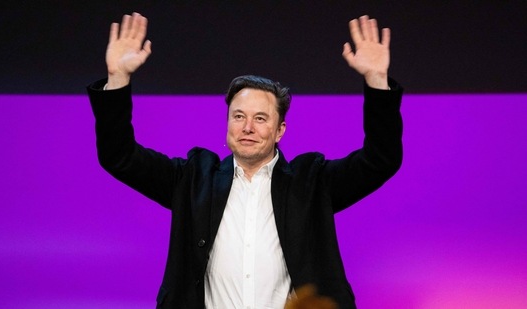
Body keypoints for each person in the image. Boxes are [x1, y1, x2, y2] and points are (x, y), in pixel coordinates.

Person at [87, 12, 403, 309]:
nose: (247, 127)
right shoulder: (193, 179)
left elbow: (381, 160)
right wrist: (118, 78)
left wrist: (376, 79)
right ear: (227, 123)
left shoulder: (312, 182)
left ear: (280, 130)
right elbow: (119, 156)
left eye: (260, 118)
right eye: (238, 116)